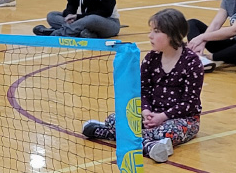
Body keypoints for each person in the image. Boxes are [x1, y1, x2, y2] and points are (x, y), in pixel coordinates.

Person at [83, 9, 203, 162]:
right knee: (115, 118)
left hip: (181, 119)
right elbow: (142, 90)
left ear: (173, 34)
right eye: (151, 30)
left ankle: (108, 133)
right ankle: (149, 145)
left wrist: (162, 117)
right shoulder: (151, 58)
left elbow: (190, 103)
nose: (150, 35)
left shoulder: (192, 62)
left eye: (156, 31)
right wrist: (146, 111)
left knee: (167, 133)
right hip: (150, 116)